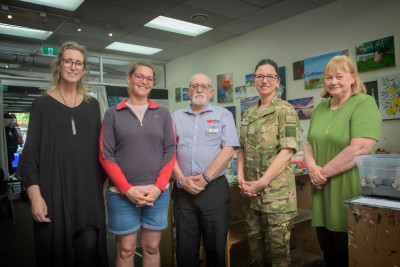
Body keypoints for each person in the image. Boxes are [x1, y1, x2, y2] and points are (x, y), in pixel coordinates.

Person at [16, 41, 109, 267]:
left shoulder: (92, 105)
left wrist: (104, 190)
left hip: (87, 197)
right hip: (53, 195)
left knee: (89, 253)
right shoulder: (41, 105)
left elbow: (100, 152)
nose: (73, 67)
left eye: (78, 63)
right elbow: (29, 158)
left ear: (84, 69)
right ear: (58, 66)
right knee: (55, 257)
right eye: (68, 61)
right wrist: (36, 199)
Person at [304, 55, 382, 267]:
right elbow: (309, 144)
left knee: (349, 254)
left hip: (350, 189)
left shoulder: (364, 103)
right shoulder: (320, 108)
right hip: (322, 191)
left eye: (339, 76)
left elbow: (360, 148)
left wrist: (321, 173)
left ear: (353, 78)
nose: (333, 81)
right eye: (328, 77)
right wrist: (312, 168)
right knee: (328, 251)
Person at [99, 61, 176, 267]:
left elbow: (170, 151)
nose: (144, 81)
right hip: (122, 195)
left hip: (156, 194)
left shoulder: (163, 113)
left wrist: (159, 187)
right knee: (126, 250)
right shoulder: (113, 113)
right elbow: (106, 155)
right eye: (139, 76)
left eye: (149, 78)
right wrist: (126, 189)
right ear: (129, 78)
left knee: (152, 248)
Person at [171, 73, 240, 266]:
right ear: (188, 91)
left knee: (216, 249)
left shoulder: (223, 115)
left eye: (204, 86)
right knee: (185, 250)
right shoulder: (175, 117)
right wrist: (182, 179)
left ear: (211, 92)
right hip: (183, 192)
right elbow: (168, 151)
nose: (199, 89)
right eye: (194, 86)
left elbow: (229, 149)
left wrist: (205, 178)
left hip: (214, 190)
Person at [237, 59, 300, 267]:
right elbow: (241, 149)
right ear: (253, 81)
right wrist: (241, 178)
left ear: (277, 81)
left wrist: (261, 183)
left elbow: (287, 151)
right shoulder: (248, 114)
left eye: (270, 76)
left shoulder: (285, 111)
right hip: (251, 194)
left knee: (278, 255)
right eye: (259, 76)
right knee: (256, 251)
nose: (265, 80)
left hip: (276, 196)